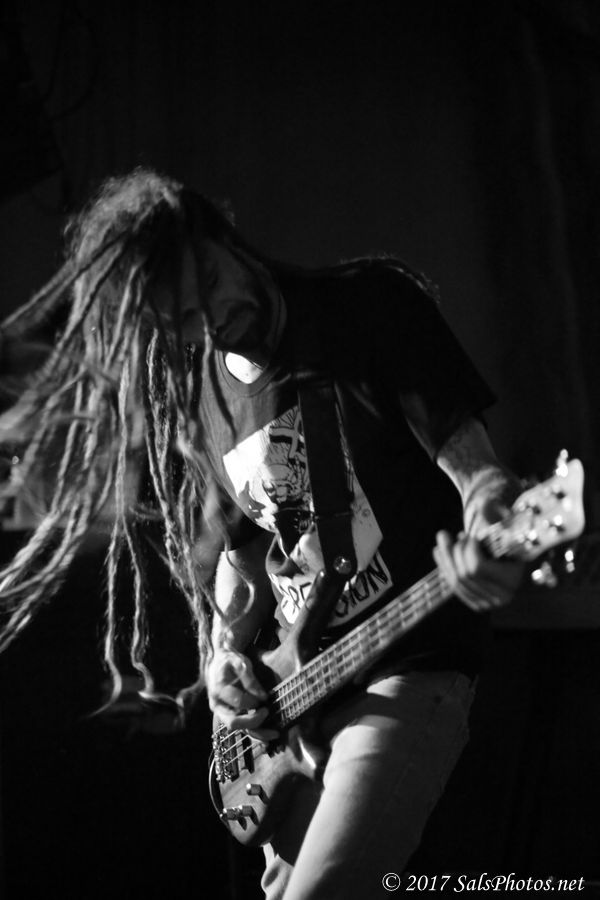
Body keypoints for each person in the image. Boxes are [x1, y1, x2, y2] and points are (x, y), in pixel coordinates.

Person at [0, 169, 524, 899]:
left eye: (211, 284)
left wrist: (494, 514)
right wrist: (223, 658)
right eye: (184, 320)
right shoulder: (205, 397)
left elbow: (479, 472)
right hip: (292, 703)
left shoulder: (367, 307)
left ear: (223, 235)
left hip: (407, 667)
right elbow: (240, 561)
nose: (214, 322)